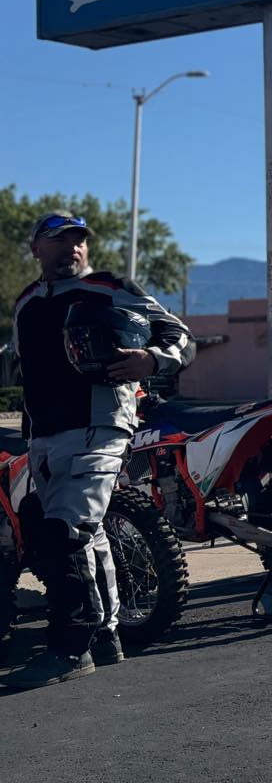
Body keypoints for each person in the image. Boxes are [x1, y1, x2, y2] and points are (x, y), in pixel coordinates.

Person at [6, 213, 191, 688]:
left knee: (65, 533)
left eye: (79, 240)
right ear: (36, 248)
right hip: (43, 434)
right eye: (60, 240)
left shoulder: (111, 287)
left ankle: (71, 648)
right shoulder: (26, 302)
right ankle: (106, 637)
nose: (73, 247)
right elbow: (20, 367)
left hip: (99, 426)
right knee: (86, 537)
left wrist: (152, 359)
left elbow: (178, 335)